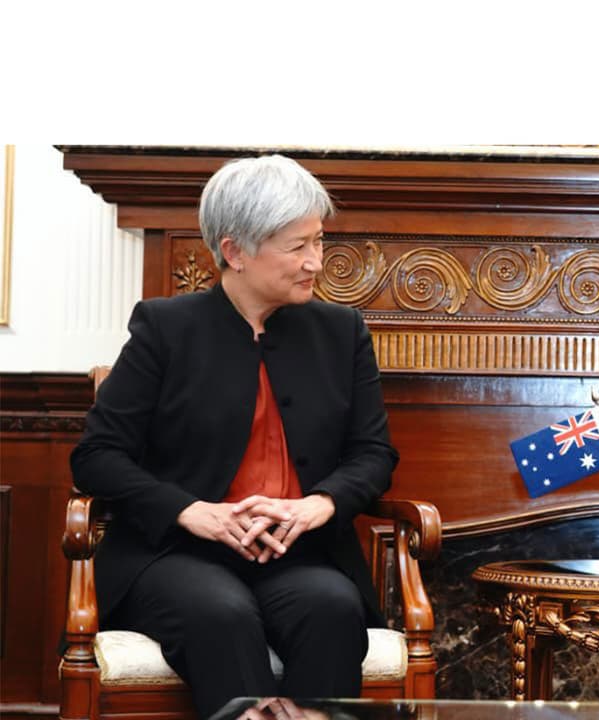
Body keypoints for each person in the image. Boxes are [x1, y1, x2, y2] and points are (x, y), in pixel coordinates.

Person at [71, 155, 398, 719]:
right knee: (219, 613)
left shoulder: (340, 332)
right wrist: (191, 511)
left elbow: (373, 453)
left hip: (298, 553)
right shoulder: (165, 328)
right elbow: (96, 457)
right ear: (235, 251)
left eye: (318, 241)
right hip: (176, 554)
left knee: (333, 608)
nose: (315, 262)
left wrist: (318, 506)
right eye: (297, 247)